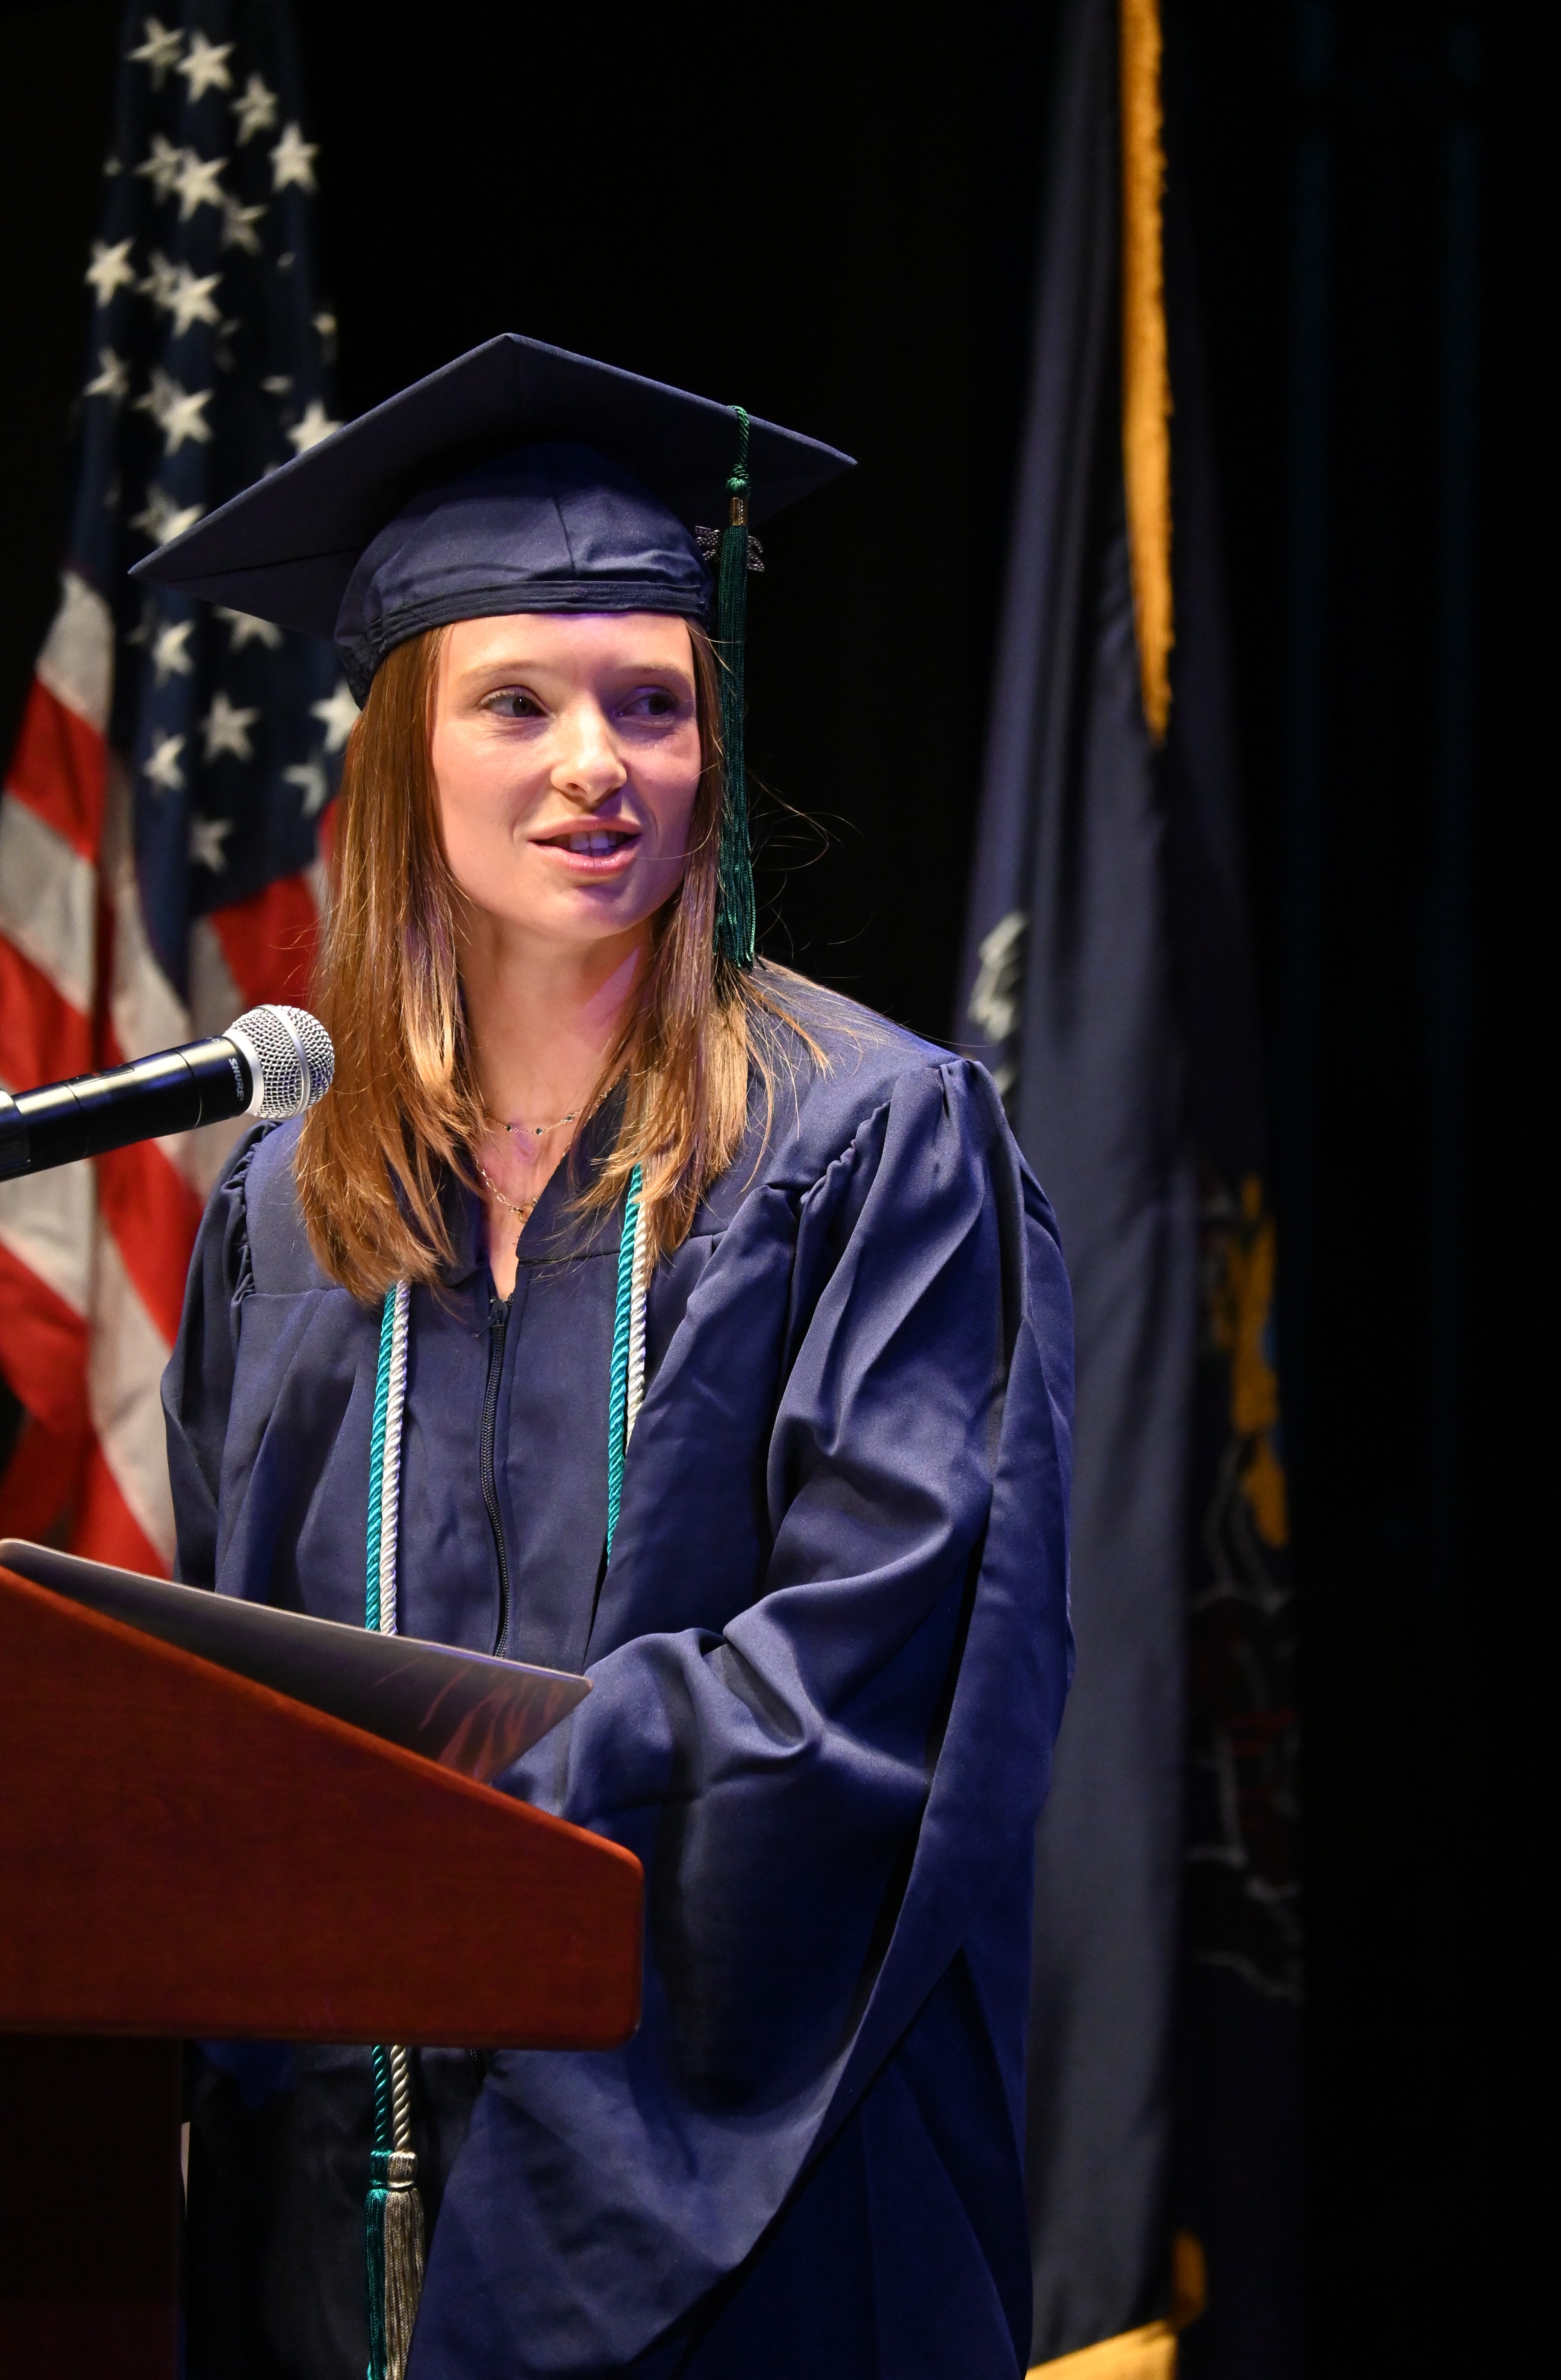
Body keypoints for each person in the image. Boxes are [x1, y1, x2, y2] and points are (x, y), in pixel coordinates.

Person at [141, 335, 1075, 2380]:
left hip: (748, 2197)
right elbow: (222, 1658)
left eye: (655, 704)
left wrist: (417, 1826)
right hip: (339, 2209)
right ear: (401, 759)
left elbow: (882, 1686)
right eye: (520, 704)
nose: (600, 764)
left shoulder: (870, 1146)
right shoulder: (289, 1203)